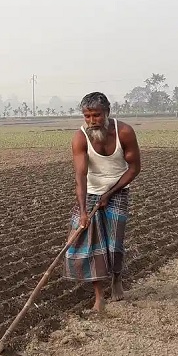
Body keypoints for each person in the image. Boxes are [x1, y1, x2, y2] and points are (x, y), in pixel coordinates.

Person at [63, 92, 141, 312]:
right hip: (89, 192)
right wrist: (83, 212)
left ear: (107, 112)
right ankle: (99, 297)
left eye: (96, 115)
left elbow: (134, 168)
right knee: (90, 242)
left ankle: (116, 278)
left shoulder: (124, 132)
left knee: (114, 242)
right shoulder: (80, 137)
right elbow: (80, 176)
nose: (91, 121)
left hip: (118, 189)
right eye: (87, 116)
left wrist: (110, 193)